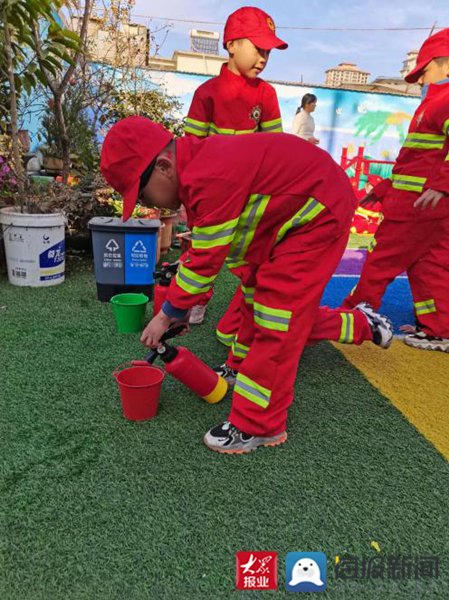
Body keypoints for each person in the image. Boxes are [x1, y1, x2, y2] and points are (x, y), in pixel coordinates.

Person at [100, 117, 393, 454]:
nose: (153, 205)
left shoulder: (207, 177)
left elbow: (205, 261)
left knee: (277, 320)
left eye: (144, 193)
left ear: (164, 166)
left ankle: (259, 424)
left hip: (317, 217)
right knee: (257, 302)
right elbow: (208, 251)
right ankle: (356, 325)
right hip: (286, 221)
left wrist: (167, 315)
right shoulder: (199, 170)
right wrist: (180, 307)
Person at [342, 29, 449, 353]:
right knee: (429, 265)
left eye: (424, 72)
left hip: (416, 205)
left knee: (380, 261)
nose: (420, 81)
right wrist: (387, 185)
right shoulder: (431, 103)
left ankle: (353, 317)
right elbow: (417, 157)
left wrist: (442, 186)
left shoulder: (441, 101)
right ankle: (439, 328)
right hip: (425, 201)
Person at [184, 6, 286, 328]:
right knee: (203, 249)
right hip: (214, 194)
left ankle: (250, 312)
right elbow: (191, 150)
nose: (264, 58)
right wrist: (191, 202)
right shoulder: (207, 93)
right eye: (258, 48)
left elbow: (276, 148)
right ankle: (196, 300)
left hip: (252, 194)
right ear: (231, 45)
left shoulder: (267, 94)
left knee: (252, 257)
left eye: (268, 52)